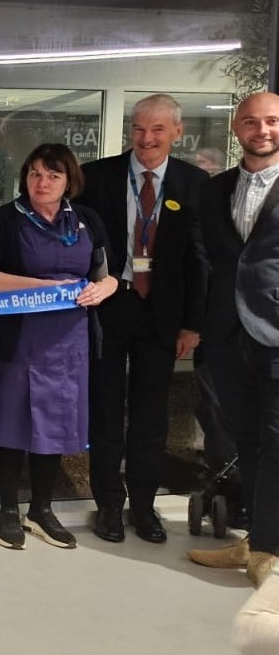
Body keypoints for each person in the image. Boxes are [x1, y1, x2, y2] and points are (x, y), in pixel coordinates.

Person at [75, 94, 208, 544]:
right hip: (110, 306)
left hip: (162, 315)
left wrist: (192, 323)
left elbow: (199, 261)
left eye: (156, 130)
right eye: (138, 128)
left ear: (177, 131)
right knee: (106, 410)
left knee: (152, 417)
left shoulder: (195, 182)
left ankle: (145, 506)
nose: (146, 138)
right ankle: (109, 505)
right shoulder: (96, 177)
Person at [0, 142, 117, 551]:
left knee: (54, 426)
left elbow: (105, 273)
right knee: (12, 426)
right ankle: (7, 511)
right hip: (18, 340)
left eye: (53, 175)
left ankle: (41, 508)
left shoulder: (87, 220)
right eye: (35, 174)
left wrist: (103, 289)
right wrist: (44, 289)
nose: (42, 182)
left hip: (68, 344)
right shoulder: (3, 220)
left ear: (69, 181)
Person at [189, 93, 279, 585]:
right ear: (236, 129)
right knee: (245, 437)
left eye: (270, 121)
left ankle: (268, 548)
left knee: (276, 440)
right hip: (227, 331)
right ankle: (253, 540)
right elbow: (217, 258)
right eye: (250, 121)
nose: (261, 129)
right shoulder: (215, 188)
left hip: (277, 331)